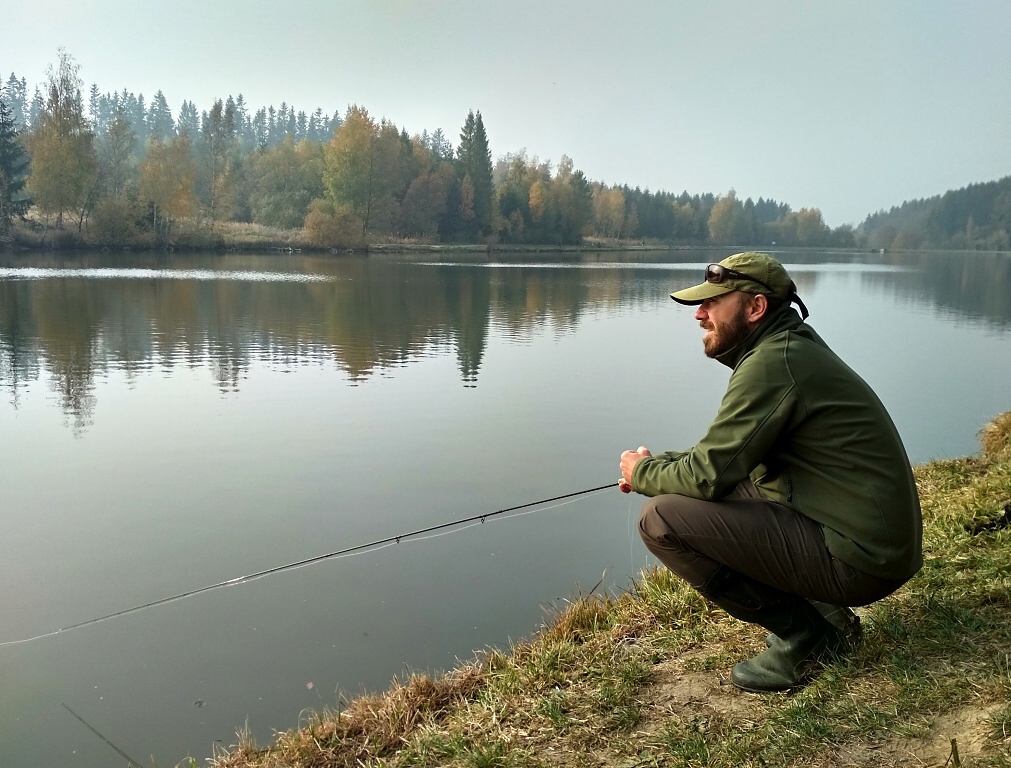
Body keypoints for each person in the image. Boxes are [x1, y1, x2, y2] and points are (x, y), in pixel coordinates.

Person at [618, 251, 922, 693]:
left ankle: (810, 637)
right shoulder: (788, 347)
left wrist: (643, 473)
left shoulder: (773, 362)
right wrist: (655, 466)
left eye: (712, 303)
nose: (699, 315)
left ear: (756, 307)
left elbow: (707, 474)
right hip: (873, 544)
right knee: (730, 488)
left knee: (660, 520)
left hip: (863, 559)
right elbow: (725, 459)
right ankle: (827, 617)